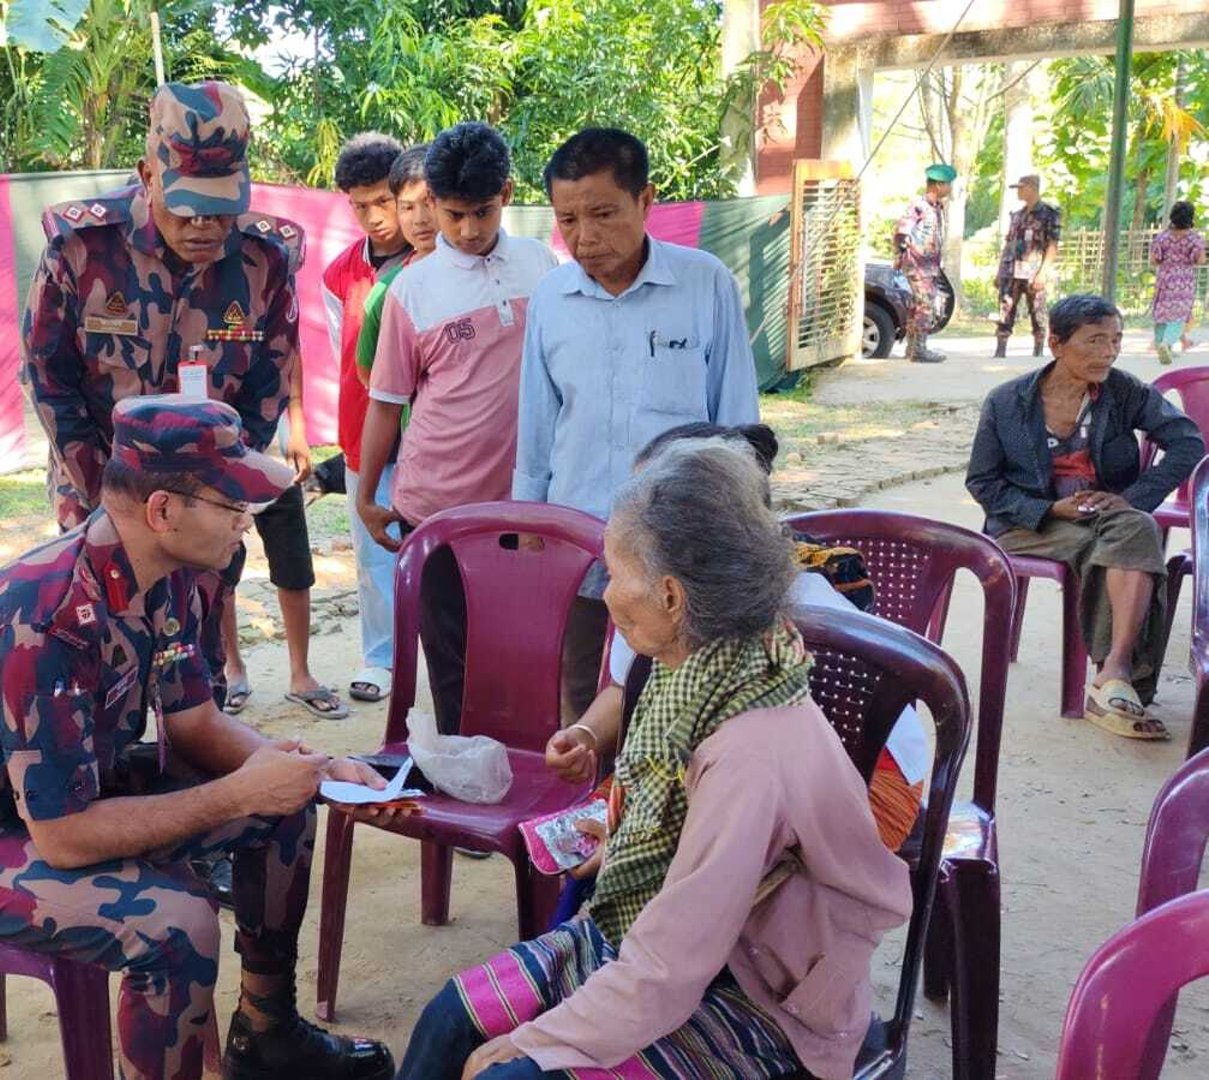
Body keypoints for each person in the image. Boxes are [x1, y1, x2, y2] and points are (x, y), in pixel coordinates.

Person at [0, 397, 397, 1080]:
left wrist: (318, 767)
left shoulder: (174, 576)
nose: (246, 527)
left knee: (285, 806)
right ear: (162, 511)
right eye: (231, 507)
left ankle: (266, 1033)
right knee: (177, 927)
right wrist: (234, 793)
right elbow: (63, 837)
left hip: (70, 793)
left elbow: (195, 722)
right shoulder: (47, 619)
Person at [395, 438, 912, 1080]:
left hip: (760, 993)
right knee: (450, 1018)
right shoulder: (697, 668)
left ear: (671, 597)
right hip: (678, 936)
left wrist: (546, 1038)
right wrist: (621, 838)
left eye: (616, 573)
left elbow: (674, 964)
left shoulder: (749, 753)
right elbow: (672, 842)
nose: (607, 593)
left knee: (514, 1075)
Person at [20, 81, 346, 723]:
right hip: (98, 505)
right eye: (188, 206)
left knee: (192, 679)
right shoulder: (82, 250)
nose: (205, 226)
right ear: (147, 175)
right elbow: (48, 379)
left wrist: (211, 498)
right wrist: (114, 499)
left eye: (221, 208)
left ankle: (198, 794)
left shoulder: (263, 261)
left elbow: (268, 385)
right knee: (99, 673)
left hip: (207, 512)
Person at [586, 424, 930, 860]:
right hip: (734, 777)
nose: (607, 590)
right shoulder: (655, 609)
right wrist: (585, 736)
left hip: (862, 776)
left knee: (667, 860)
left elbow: (742, 811)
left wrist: (641, 840)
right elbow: (639, 715)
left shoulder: (792, 633)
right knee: (594, 829)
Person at [514, 126, 759, 719]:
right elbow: (538, 425)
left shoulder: (705, 283)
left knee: (674, 692)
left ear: (646, 201)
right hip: (576, 532)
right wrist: (528, 522)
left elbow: (737, 420)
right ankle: (583, 807)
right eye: (567, 220)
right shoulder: (550, 298)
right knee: (576, 688)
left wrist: (743, 520)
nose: (585, 237)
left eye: (602, 213)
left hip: (678, 539)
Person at [356, 120, 558, 735]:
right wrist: (366, 495)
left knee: (526, 649)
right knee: (453, 661)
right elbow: (386, 402)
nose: (469, 230)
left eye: (484, 212)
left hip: (528, 503)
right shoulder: (411, 290)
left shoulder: (542, 264)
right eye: (454, 216)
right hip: (439, 507)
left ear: (507, 192)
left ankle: (521, 779)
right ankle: (464, 789)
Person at [966, 293, 1205, 740]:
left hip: (1104, 519)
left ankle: (1111, 672)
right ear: (1056, 343)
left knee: (1135, 526)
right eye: (1094, 341)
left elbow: (1189, 442)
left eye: (1114, 341)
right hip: (1026, 525)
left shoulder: (1123, 391)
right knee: (1122, 545)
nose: (1108, 353)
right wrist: (1048, 508)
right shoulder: (1006, 403)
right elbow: (982, 483)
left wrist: (1134, 495)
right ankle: (1122, 682)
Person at [321, 131, 411, 703]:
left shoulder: (438, 260)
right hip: (365, 438)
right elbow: (345, 359)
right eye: (361, 206)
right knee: (374, 554)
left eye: (385, 201)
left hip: (436, 440)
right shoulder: (339, 274)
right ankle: (381, 659)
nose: (374, 218)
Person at [994, 174, 1060, 359]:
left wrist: (1043, 272)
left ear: (1032, 187)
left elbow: (1053, 244)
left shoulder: (1049, 212)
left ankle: (1037, 351)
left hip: (1034, 270)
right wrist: (999, 272)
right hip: (1011, 269)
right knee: (1005, 308)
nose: (1019, 191)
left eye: (1021, 187)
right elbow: (1009, 243)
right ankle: (1000, 350)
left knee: (1037, 311)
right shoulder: (1018, 215)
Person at [894, 163, 955, 364]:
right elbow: (901, 232)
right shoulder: (919, 205)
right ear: (938, 185)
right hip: (918, 265)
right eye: (948, 184)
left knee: (918, 306)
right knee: (925, 305)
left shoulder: (937, 207)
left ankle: (913, 348)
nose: (950, 188)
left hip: (929, 266)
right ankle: (920, 349)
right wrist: (901, 257)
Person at [1151, 200, 1205, 366]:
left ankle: (1161, 344)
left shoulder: (1162, 237)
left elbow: (1153, 261)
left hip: (1165, 279)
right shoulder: (1194, 239)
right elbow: (1200, 260)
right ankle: (1167, 344)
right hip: (1184, 282)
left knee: (1162, 313)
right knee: (1178, 317)